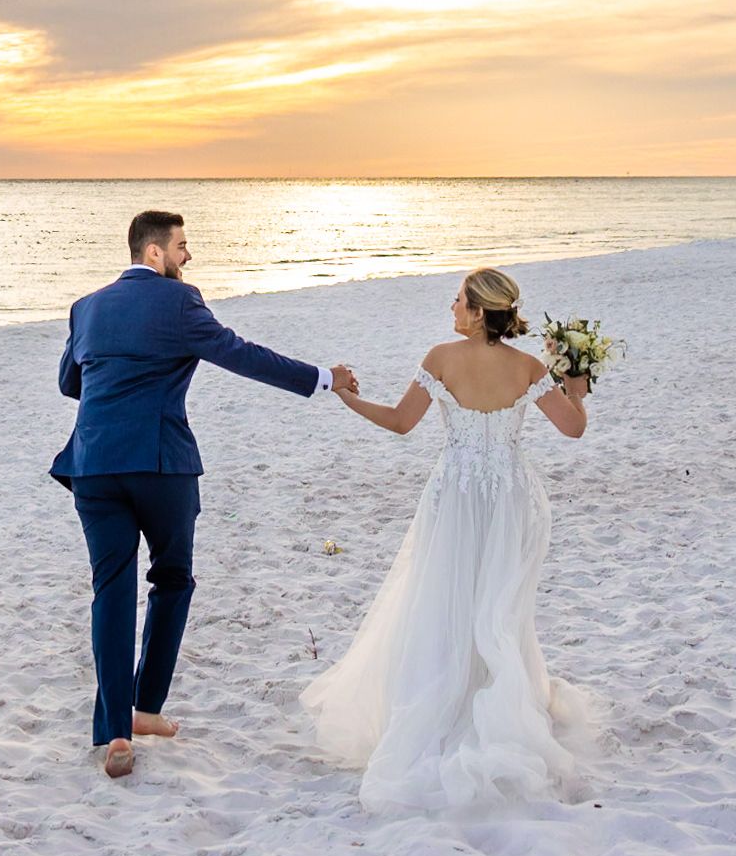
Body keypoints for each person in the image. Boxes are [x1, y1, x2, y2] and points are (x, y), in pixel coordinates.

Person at [52, 209, 357, 778]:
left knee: (111, 589)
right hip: (161, 464)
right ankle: (147, 707)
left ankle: (116, 731)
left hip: (92, 464)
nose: (188, 256)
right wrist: (323, 378)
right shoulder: (180, 302)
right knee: (172, 578)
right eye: (182, 246)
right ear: (153, 254)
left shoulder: (86, 307)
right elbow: (240, 354)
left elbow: (71, 381)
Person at [302, 265, 589, 812]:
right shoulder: (529, 367)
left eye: (458, 300)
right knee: (501, 605)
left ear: (480, 311)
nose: (451, 308)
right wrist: (576, 390)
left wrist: (346, 399)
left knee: (444, 597)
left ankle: (444, 704)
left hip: (456, 494)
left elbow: (399, 422)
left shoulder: (440, 359)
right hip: (509, 496)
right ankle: (505, 703)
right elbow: (573, 428)